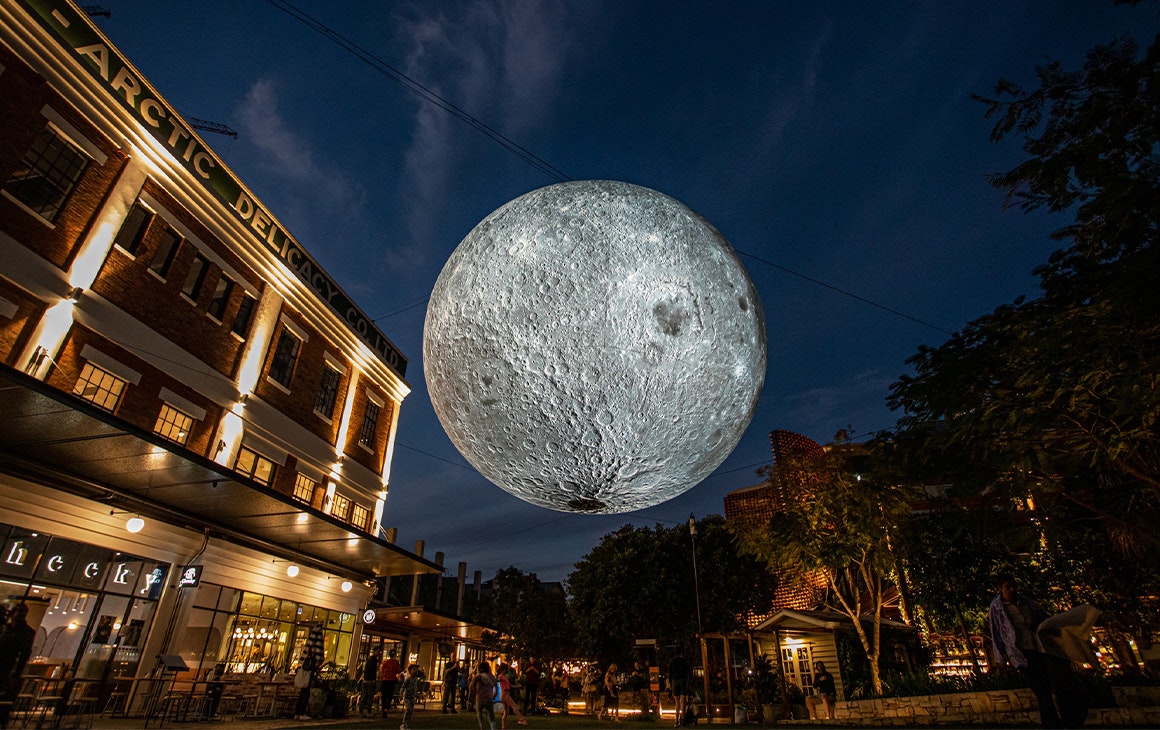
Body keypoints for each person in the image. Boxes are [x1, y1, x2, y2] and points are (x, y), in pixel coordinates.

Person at [987, 573, 1088, 728]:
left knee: (1047, 688)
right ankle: (1052, 724)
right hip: (1020, 652)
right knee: (1040, 690)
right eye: (1008, 587)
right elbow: (996, 633)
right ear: (1000, 589)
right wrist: (1001, 659)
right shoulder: (997, 608)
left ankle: (1053, 723)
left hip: (1039, 648)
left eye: (1013, 586)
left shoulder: (1026, 602)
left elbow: (1043, 619)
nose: (1012, 589)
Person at [0, 604, 35, 729]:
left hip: (8, 668)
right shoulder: (7, 628)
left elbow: (24, 654)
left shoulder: (22, 631)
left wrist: (16, 673)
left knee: (4, 697)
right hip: (8, 668)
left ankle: (2, 720)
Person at [469, 660, 499, 730]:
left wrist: (473, 692)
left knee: (479, 713)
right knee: (491, 715)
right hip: (489, 698)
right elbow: (496, 685)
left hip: (480, 697)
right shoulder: (491, 677)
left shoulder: (478, 676)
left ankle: (482, 727)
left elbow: (471, 686)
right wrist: (494, 695)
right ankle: (493, 728)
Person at [497, 663, 528, 728]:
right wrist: (499, 679)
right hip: (505, 694)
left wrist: (517, 686)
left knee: (506, 712)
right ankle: (520, 719)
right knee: (514, 706)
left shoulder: (505, 677)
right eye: (505, 670)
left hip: (506, 694)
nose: (506, 671)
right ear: (502, 670)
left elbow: (509, 686)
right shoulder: (501, 676)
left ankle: (503, 726)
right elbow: (499, 679)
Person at [667, 653, 691, 727]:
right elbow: (687, 672)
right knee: (682, 701)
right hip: (682, 680)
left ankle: (676, 720)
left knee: (677, 702)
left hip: (674, 680)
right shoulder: (684, 660)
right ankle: (682, 720)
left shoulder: (672, 661)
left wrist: (671, 683)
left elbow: (670, 673)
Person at [379, 648, 402, 718]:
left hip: (384, 680)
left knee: (384, 696)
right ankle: (386, 708)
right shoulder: (396, 662)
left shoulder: (385, 662)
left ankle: (383, 709)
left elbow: (381, 670)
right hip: (391, 680)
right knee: (389, 695)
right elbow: (398, 671)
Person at [360, 650, 381, 717]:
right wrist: (374, 679)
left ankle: (361, 710)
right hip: (370, 680)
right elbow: (373, 670)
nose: (379, 653)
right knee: (369, 696)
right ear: (375, 651)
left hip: (365, 680)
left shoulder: (369, 659)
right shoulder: (374, 660)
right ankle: (368, 711)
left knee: (364, 695)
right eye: (378, 652)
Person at [399, 664, 420, 730]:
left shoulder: (416, 679)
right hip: (407, 697)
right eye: (414, 669)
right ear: (410, 671)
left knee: (411, 711)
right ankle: (404, 723)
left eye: (416, 670)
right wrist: (401, 694)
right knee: (408, 709)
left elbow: (415, 688)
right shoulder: (408, 679)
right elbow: (403, 686)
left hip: (412, 697)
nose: (415, 671)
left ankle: (407, 724)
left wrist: (416, 694)